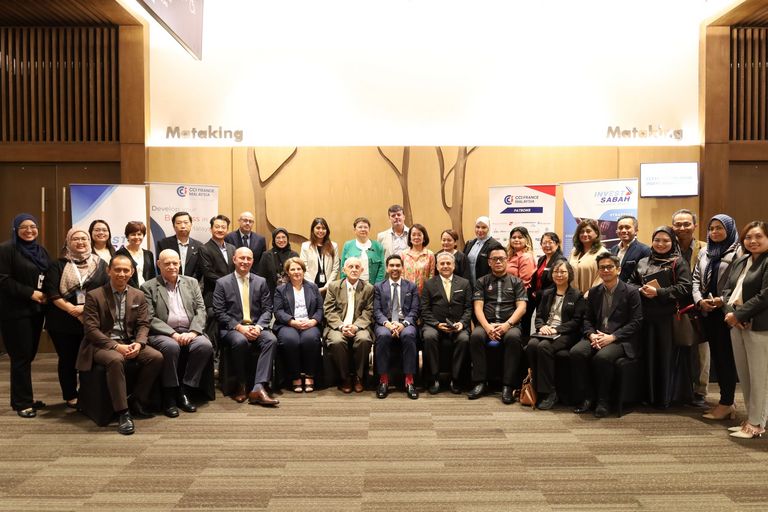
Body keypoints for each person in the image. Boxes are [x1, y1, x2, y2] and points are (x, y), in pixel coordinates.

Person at [77, 254, 163, 435]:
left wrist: (139, 344)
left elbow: (143, 324)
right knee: (116, 360)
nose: (122, 274)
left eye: (126, 270)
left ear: (132, 272)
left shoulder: (138, 294)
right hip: (101, 344)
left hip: (129, 341)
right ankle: (123, 412)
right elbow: (91, 330)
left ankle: (136, 400)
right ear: (109, 271)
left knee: (156, 357)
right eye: (117, 270)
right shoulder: (94, 295)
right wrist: (116, 347)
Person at [141, 250, 214, 418]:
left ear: (180, 263)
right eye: (167, 263)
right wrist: (173, 334)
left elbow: (201, 310)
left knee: (204, 345)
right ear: (158, 264)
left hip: (190, 330)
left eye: (175, 263)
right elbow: (149, 317)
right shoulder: (148, 287)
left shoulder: (192, 282)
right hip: (163, 333)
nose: (172, 266)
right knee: (171, 347)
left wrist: (194, 332)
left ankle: (185, 389)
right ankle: (169, 395)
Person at [570, 253, 643, 418]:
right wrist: (591, 335)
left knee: (602, 357)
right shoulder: (594, 292)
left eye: (609, 267)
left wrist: (612, 337)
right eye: (602, 268)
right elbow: (587, 319)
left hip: (620, 339)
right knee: (577, 352)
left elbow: (636, 322)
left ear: (618, 269)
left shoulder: (631, 292)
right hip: (597, 336)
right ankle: (588, 397)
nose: (605, 270)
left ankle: (604, 401)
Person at [629, 226, 693, 409]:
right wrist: (640, 289)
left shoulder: (678, 262)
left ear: (673, 242)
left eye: (666, 240)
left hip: (667, 319)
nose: (661, 244)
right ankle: (647, 397)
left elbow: (685, 288)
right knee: (647, 357)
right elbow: (630, 283)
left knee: (665, 358)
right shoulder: (643, 261)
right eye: (657, 240)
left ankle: (664, 398)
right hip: (645, 316)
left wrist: (658, 292)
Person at [44, 228, 108, 409]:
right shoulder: (57, 265)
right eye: (75, 239)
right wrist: (71, 308)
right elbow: (51, 292)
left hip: (92, 319)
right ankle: (71, 395)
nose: (80, 242)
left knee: (90, 359)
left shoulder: (101, 264)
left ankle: (88, 394)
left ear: (89, 242)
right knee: (67, 359)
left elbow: (106, 291)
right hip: (62, 320)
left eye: (84, 239)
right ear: (68, 242)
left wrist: (84, 308)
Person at [213, 247, 279, 407]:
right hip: (233, 329)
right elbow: (219, 312)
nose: (245, 261)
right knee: (240, 341)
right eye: (241, 258)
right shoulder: (222, 283)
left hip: (256, 326)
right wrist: (239, 328)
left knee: (271, 340)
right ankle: (241, 384)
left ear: (253, 261)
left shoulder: (260, 281)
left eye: (248, 258)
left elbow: (267, 309)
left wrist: (259, 327)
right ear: (234, 259)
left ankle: (258, 387)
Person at [0, 214, 51, 418]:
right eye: (24, 227)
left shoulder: (40, 251)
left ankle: (24, 398)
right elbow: (3, 279)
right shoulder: (6, 249)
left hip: (35, 311)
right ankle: (22, 403)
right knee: (20, 357)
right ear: (15, 229)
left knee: (28, 356)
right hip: (15, 312)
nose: (29, 230)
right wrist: (31, 293)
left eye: (33, 226)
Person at [722, 220, 768, 439]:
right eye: (748, 237)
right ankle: (751, 417)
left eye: (758, 236)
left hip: (759, 325)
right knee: (745, 375)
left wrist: (739, 315)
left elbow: (765, 296)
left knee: (760, 377)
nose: (753, 241)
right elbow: (727, 290)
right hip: (737, 322)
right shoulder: (741, 260)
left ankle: (757, 423)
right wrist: (731, 313)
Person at [692, 214, 741, 421]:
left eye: (719, 228)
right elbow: (696, 279)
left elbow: (741, 282)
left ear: (729, 229)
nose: (714, 232)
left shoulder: (739, 251)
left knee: (726, 359)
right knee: (719, 359)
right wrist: (699, 300)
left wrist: (723, 300)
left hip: (727, 313)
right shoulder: (705, 251)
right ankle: (726, 400)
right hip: (708, 312)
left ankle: (726, 403)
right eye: (711, 228)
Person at [467, 246, 527, 404]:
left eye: (501, 258)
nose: (498, 261)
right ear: (489, 262)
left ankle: (508, 385)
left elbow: (522, 307)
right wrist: (487, 327)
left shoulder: (516, 282)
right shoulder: (481, 282)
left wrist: (507, 324)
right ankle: (480, 382)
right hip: (487, 323)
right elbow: (478, 307)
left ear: (507, 260)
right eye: (494, 259)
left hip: (510, 324)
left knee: (513, 338)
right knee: (476, 336)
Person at [525, 260, 586, 410]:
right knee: (531, 345)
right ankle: (535, 385)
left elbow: (576, 321)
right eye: (556, 272)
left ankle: (549, 392)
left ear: (569, 274)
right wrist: (542, 326)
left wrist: (557, 329)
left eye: (563, 272)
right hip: (546, 331)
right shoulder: (546, 293)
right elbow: (539, 316)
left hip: (566, 333)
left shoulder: (577, 295)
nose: (559, 275)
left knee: (544, 347)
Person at [672, 208, 710, 407]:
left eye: (686, 224)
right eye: (678, 224)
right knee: (677, 348)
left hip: (700, 306)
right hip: (675, 305)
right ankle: (678, 390)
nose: (682, 228)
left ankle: (700, 391)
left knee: (701, 351)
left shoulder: (706, 248)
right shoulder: (668, 247)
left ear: (695, 226)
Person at [420, 252, 472, 394]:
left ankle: (456, 378)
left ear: (454, 266)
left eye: (448, 263)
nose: (445, 266)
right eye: (442, 263)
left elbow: (468, 308)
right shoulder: (429, 284)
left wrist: (462, 323)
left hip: (458, 325)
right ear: (437, 267)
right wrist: (436, 324)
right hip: (434, 325)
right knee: (429, 336)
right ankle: (434, 378)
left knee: (464, 339)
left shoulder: (464, 283)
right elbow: (424, 309)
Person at [323, 257, 375, 393]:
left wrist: (356, 326)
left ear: (362, 270)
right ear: (344, 270)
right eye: (350, 267)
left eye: (357, 267)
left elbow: (369, 311)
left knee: (364, 339)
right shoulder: (334, 286)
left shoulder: (368, 288)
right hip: (337, 326)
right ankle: (345, 377)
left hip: (360, 326)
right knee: (337, 341)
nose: (354, 270)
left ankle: (358, 377)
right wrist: (341, 326)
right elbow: (329, 310)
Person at [373, 254, 420, 399]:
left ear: (402, 268)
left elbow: (415, 310)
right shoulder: (379, 287)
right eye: (392, 265)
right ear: (387, 268)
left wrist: (403, 324)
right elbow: (376, 311)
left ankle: (409, 380)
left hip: (405, 322)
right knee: (383, 335)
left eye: (398, 265)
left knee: (409, 335)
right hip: (385, 322)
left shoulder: (411, 286)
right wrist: (387, 324)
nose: (395, 268)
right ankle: (383, 380)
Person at [273, 257, 323, 393]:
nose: (296, 272)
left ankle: (309, 375)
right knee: (290, 340)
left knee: (310, 339)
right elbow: (278, 311)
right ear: (288, 272)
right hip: (288, 324)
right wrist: (292, 322)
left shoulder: (313, 287)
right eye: (293, 269)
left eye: (299, 269)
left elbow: (320, 309)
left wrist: (313, 321)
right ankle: (295, 377)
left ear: (303, 270)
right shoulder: (281, 289)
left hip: (309, 323)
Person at [199, 215, 237, 354]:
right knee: (213, 334)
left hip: (233, 296)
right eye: (217, 227)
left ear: (227, 230)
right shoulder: (204, 248)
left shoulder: (232, 248)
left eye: (223, 227)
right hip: (213, 295)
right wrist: (228, 285)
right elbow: (208, 273)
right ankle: (213, 361)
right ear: (211, 229)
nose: (220, 230)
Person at [506, 226, 536, 339]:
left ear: (526, 239)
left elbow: (524, 282)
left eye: (520, 237)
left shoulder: (526, 257)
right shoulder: (509, 255)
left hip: (522, 296)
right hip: (510, 295)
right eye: (514, 237)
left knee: (522, 328)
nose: (516, 240)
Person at [156, 211, 204, 280]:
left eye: (186, 222)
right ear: (174, 226)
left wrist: (191, 283)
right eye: (179, 223)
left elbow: (200, 269)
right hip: (169, 283)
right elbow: (160, 266)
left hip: (192, 284)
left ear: (191, 225)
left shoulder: (199, 246)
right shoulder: (163, 244)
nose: (183, 226)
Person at [299, 217, 340, 296]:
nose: (321, 231)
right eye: (318, 228)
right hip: (310, 287)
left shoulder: (333, 246)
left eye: (323, 228)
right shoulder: (305, 246)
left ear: (327, 230)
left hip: (328, 287)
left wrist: (326, 286)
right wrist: (313, 286)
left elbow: (335, 268)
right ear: (313, 229)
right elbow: (304, 267)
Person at [568, 218, 610, 295]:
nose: (584, 234)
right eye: (581, 232)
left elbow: (602, 278)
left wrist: (589, 294)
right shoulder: (574, 251)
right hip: (573, 297)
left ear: (596, 233)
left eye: (588, 231)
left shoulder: (603, 253)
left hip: (592, 297)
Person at [340, 217, 386, 285]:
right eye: (360, 227)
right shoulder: (348, 245)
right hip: (352, 285)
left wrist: (378, 286)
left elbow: (382, 268)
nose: (363, 229)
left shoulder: (377, 246)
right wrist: (345, 284)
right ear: (355, 230)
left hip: (372, 285)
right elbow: (343, 267)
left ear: (369, 229)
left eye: (365, 227)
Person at [529, 232, 565, 311]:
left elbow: (558, 282)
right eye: (544, 243)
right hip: (539, 297)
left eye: (550, 242)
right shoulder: (542, 259)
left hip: (551, 298)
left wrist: (539, 293)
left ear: (557, 244)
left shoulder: (560, 260)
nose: (547, 245)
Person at [257, 227, 298, 296]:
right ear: (274, 240)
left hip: (291, 293)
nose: (281, 240)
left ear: (287, 239)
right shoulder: (266, 255)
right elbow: (261, 276)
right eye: (278, 238)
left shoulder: (294, 255)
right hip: (271, 294)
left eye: (283, 237)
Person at [115, 221, 156, 288]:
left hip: (147, 291)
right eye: (133, 234)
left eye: (139, 234)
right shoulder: (120, 253)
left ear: (143, 235)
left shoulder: (148, 254)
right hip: (128, 291)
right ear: (127, 236)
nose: (136, 237)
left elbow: (152, 275)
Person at [610, 215, 651, 282]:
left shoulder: (644, 250)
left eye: (627, 227)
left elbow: (644, 277)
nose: (623, 230)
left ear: (636, 231)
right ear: (617, 231)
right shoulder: (613, 249)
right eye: (620, 228)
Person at [463, 216, 499, 286]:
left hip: (485, 285)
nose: (480, 230)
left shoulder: (494, 245)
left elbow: (495, 268)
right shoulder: (469, 243)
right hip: (469, 285)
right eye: (477, 227)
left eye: (484, 227)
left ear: (489, 228)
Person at [402, 223, 435, 294]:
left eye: (419, 235)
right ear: (410, 238)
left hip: (424, 293)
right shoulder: (403, 254)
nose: (416, 237)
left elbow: (431, 276)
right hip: (407, 292)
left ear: (424, 238)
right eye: (413, 235)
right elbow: (401, 274)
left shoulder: (430, 254)